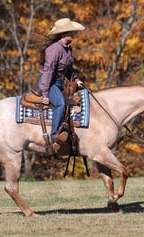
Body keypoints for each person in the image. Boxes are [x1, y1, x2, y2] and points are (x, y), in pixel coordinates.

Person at [37, 18, 85, 149]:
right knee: (60, 103)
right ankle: (54, 137)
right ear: (63, 34)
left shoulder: (68, 49)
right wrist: (45, 93)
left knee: (74, 102)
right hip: (48, 82)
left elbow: (68, 70)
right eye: (71, 32)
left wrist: (76, 79)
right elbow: (48, 71)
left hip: (58, 82)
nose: (74, 34)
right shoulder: (55, 49)